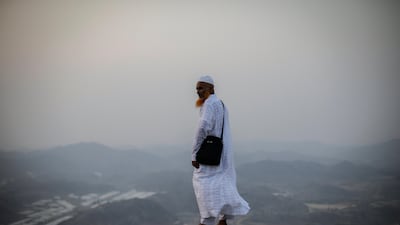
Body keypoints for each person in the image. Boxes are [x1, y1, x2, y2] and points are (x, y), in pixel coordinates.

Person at [192, 75, 250, 225]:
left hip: (210, 155)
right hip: (221, 154)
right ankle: (223, 218)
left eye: (201, 87)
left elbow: (203, 127)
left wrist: (194, 153)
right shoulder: (221, 104)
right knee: (222, 183)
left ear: (211, 88)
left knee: (203, 186)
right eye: (197, 88)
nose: (198, 91)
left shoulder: (209, 104)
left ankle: (208, 220)